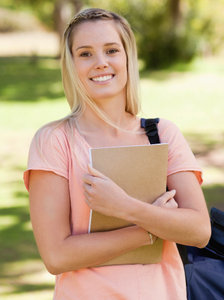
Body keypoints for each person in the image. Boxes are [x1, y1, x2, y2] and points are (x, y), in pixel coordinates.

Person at [23, 8, 211, 300]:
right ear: (71, 64)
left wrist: (125, 207)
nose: (100, 63)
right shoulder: (54, 141)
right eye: (85, 53)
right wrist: (152, 228)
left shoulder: (162, 135)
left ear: (127, 57)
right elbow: (56, 256)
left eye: (111, 50)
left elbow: (199, 230)